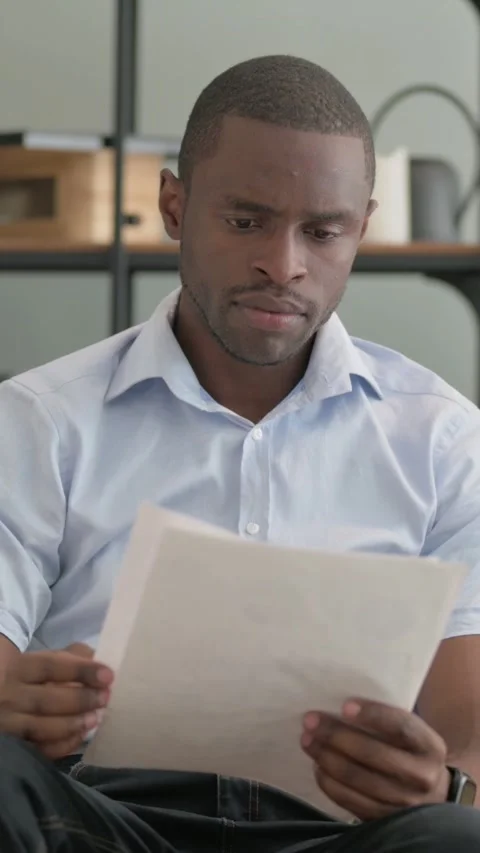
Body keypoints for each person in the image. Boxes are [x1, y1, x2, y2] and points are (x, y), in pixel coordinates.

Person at [0, 54, 480, 852]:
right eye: (247, 221)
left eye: (322, 232)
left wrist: (443, 784)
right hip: (100, 817)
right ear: (175, 206)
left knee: (457, 836)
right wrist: (16, 703)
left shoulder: (444, 440)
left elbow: (468, 741)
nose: (283, 265)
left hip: (345, 832)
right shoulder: (39, 421)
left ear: (360, 231)